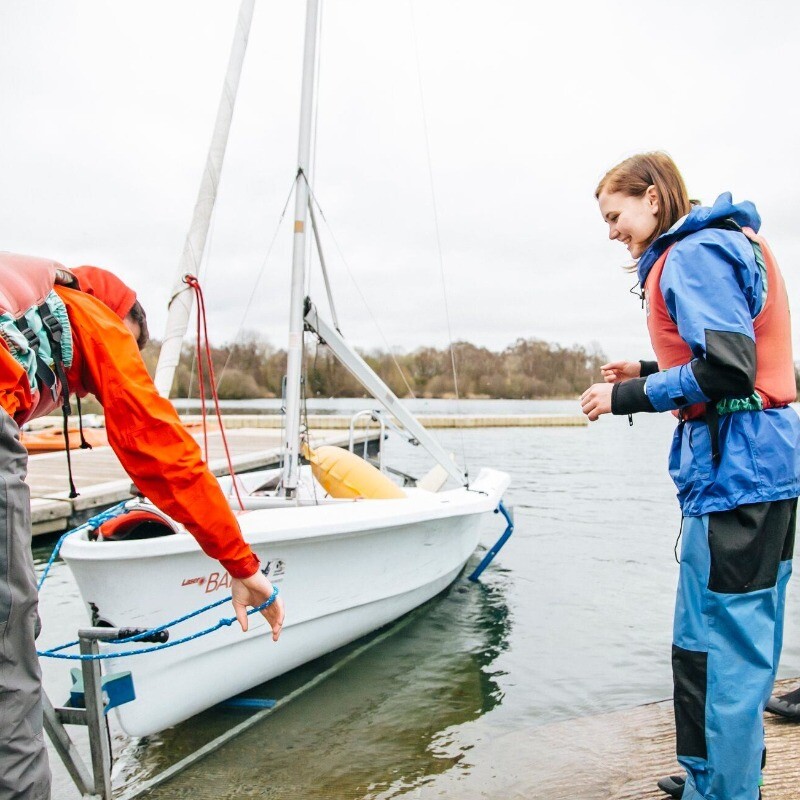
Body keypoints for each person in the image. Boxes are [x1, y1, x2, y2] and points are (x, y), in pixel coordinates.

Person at [0, 253, 285, 800]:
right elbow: (162, 452)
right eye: (130, 348)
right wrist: (241, 564)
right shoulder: (89, 313)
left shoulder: (25, 291)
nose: (87, 391)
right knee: (9, 661)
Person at [580, 152, 800, 800]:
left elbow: (731, 369)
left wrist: (628, 397)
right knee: (696, 645)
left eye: (615, 215)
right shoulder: (693, 251)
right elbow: (725, 354)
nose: (612, 231)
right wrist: (649, 369)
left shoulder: (698, 252)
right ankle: (711, 776)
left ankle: (730, 791)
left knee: (731, 656)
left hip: (748, 480)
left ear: (652, 197)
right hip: (725, 478)